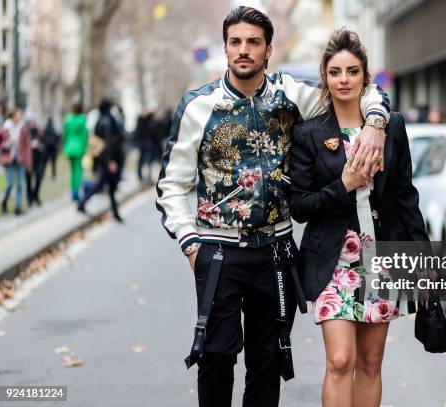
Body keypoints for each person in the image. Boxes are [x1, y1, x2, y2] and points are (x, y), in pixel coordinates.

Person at [155, 6, 390, 407]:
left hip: (277, 253)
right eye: (235, 42)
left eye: (253, 42)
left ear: (268, 50)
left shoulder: (292, 95)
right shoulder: (199, 106)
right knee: (216, 357)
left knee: (267, 361)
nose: (243, 50)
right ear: (225, 48)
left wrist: (375, 123)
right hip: (218, 251)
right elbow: (171, 186)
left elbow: (356, 88)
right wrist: (191, 244)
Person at [288, 28, 429, 407]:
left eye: (352, 71)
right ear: (325, 78)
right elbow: (299, 205)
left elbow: (405, 198)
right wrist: (344, 184)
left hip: (382, 257)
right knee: (340, 360)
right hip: (332, 260)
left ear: (365, 76)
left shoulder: (391, 127)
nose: (344, 80)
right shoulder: (308, 134)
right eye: (335, 72)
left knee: (370, 362)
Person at [77, 99, 124, 222]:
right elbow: (108, 143)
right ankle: (82, 203)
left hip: (103, 158)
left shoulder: (100, 120)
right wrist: (111, 161)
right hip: (108, 159)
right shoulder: (108, 121)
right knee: (103, 185)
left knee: (107, 186)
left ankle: (115, 213)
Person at [0, 108, 31, 215]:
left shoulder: (23, 128)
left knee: (20, 185)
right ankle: (4, 201)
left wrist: (28, 161)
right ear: (13, 116)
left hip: (20, 159)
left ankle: (18, 207)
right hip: (9, 159)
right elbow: (0, 143)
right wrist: (7, 142)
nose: (19, 116)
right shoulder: (5, 127)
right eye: (18, 114)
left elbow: (27, 145)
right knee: (10, 184)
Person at [62, 102, 88, 201]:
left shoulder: (68, 120)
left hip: (69, 147)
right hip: (78, 147)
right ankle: (76, 192)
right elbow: (84, 135)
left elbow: (65, 135)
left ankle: (73, 191)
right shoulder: (82, 120)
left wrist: (65, 147)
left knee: (72, 171)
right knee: (78, 171)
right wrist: (84, 147)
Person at [25, 117, 46, 206]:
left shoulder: (39, 133)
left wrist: (40, 146)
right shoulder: (26, 133)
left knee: (38, 179)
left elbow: (44, 144)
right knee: (28, 181)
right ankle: (30, 199)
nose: (33, 124)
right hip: (29, 160)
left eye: (34, 122)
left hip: (38, 160)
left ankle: (35, 195)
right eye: (31, 122)